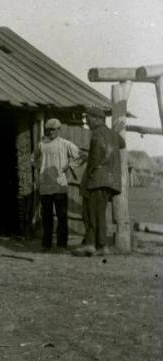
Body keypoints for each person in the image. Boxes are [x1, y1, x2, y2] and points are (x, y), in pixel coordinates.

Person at [74, 108, 126, 256]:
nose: (87, 122)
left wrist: (89, 174)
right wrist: (113, 131)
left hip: (97, 179)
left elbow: (96, 157)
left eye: (88, 118)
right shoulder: (112, 134)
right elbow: (121, 144)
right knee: (99, 212)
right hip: (110, 181)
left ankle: (95, 245)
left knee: (92, 213)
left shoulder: (96, 133)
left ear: (96, 119)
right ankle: (98, 245)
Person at [33, 118, 81, 251]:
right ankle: (46, 244)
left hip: (60, 185)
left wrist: (69, 166)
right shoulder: (41, 145)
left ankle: (61, 245)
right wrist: (41, 169)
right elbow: (34, 159)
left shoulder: (65, 144)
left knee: (62, 216)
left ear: (59, 130)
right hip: (45, 186)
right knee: (46, 217)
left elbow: (80, 156)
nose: (50, 132)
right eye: (48, 129)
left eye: (53, 129)